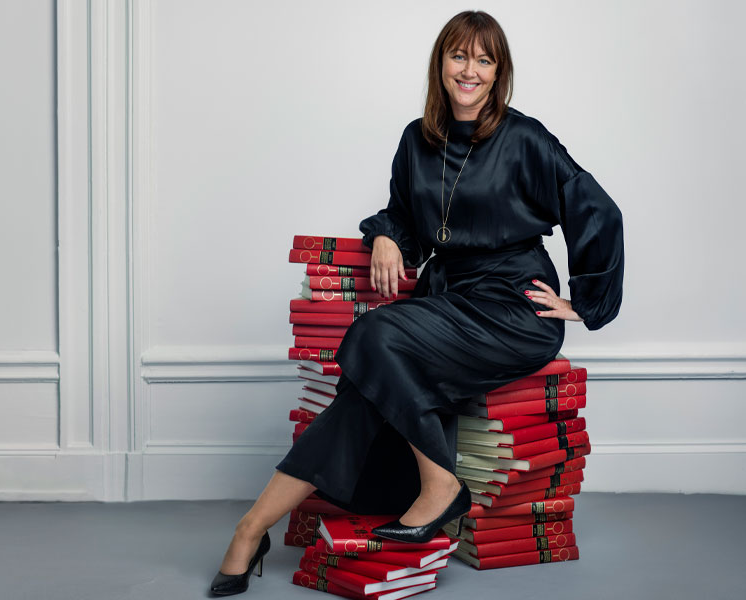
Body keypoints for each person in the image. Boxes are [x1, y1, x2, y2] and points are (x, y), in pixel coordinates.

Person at [210, 9, 623, 596]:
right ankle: (251, 528)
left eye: (484, 60)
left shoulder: (525, 138)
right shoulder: (416, 139)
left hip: (512, 307)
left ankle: (437, 486)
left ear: (499, 72)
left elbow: (596, 207)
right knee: (366, 381)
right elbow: (405, 216)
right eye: (460, 56)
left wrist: (587, 302)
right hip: (449, 298)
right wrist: (385, 235)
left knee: (373, 338)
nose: (470, 70)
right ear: (441, 63)